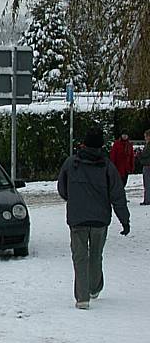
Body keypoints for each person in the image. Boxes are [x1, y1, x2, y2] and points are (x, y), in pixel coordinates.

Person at [57, 126, 130, 310]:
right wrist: (125, 220)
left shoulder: (71, 163)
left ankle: (82, 298)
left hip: (77, 219)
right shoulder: (106, 166)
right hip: (100, 220)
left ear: (84, 144)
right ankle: (95, 287)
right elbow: (117, 195)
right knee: (96, 255)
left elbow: (62, 189)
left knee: (79, 257)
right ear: (101, 146)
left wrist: (73, 200)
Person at [139, 129, 150, 205]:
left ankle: (147, 200)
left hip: (147, 165)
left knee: (147, 183)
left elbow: (145, 155)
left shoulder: (148, 146)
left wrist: (140, 155)